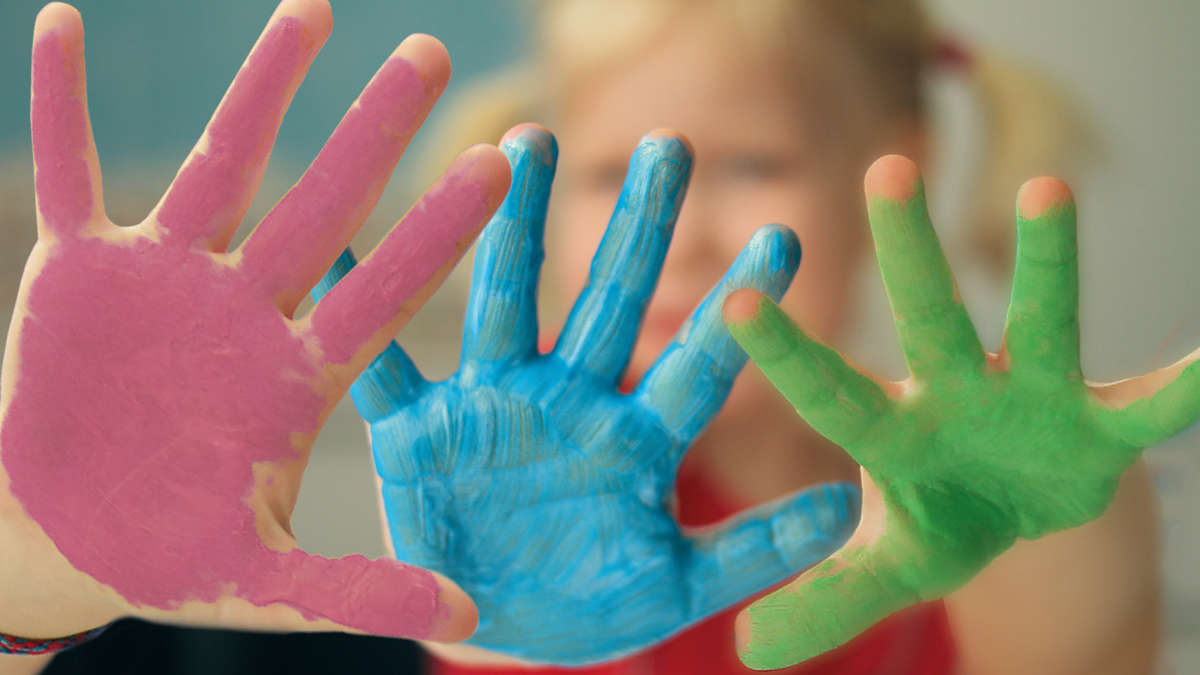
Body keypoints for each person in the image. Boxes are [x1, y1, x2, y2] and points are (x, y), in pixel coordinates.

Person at [406, 1, 1169, 673]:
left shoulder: (952, 463)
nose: (684, 234)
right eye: (613, 174)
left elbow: (1083, 648)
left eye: (751, 165)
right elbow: (476, 633)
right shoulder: (535, 450)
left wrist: (1039, 520)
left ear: (893, 167)